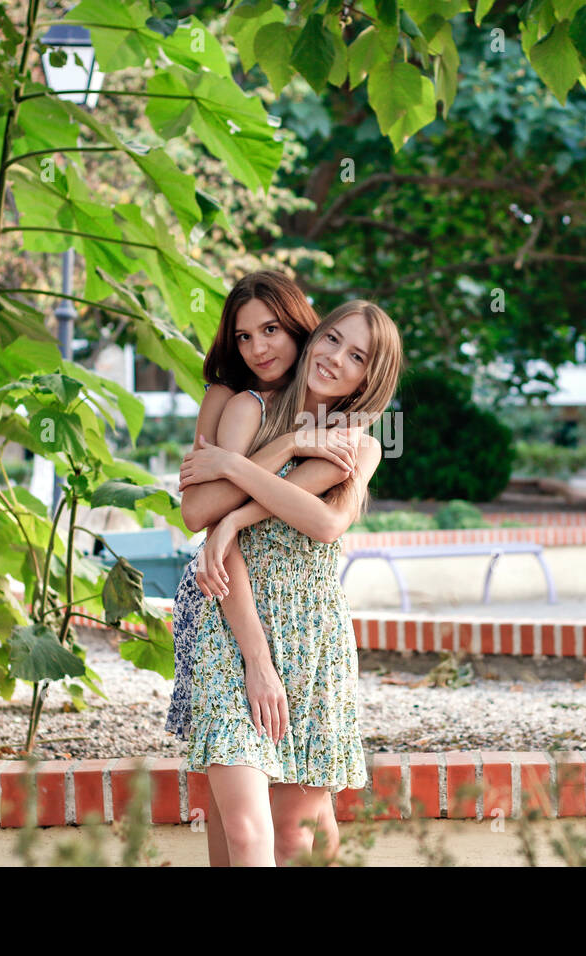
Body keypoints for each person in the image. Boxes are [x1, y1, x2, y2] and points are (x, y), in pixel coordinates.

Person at [177, 301, 403, 866]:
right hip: (232, 619)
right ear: (312, 335)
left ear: (369, 378)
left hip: (313, 635)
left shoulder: (356, 443)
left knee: (299, 834)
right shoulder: (250, 408)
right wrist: (256, 660)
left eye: (357, 357)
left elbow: (324, 522)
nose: (334, 358)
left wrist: (231, 496)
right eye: (330, 339)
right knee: (246, 828)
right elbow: (202, 520)